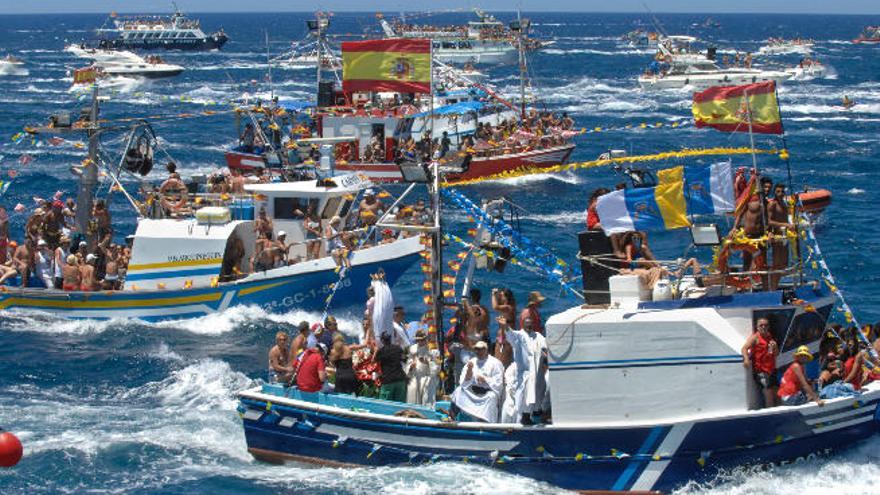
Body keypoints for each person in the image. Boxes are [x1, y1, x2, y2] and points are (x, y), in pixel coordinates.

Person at [498, 315, 549, 424]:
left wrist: (546, 354)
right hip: (524, 374)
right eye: (527, 324)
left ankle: (536, 417)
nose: (529, 326)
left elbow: (545, 348)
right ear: (523, 325)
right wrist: (505, 326)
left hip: (538, 372)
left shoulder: (538, 336)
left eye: (531, 325)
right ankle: (524, 418)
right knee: (524, 397)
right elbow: (510, 334)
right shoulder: (519, 335)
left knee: (538, 395)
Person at [449, 340, 504, 422]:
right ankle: (452, 416)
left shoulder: (495, 363)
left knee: (492, 397)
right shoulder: (472, 361)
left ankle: (485, 421)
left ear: (486, 350)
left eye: (482, 349)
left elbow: (498, 383)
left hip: (486, 393)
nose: (479, 351)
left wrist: (486, 380)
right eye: (477, 349)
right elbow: (464, 382)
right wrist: (469, 370)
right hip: (473, 391)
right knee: (459, 391)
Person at [741, 317, 779, 408]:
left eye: (765, 325)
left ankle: (778, 410)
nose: (763, 327)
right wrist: (746, 359)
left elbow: (776, 354)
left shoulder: (769, 337)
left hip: (771, 369)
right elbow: (744, 348)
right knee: (768, 391)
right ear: (757, 327)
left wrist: (775, 347)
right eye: (761, 325)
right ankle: (770, 412)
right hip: (761, 370)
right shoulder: (755, 338)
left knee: (776, 390)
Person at [767, 183, 794, 290]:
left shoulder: (784, 204)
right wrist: (785, 225)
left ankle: (775, 285)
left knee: (784, 264)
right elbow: (769, 221)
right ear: (774, 192)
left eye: (782, 191)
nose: (780, 193)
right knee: (776, 264)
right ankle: (772, 288)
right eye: (778, 191)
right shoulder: (773, 204)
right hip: (777, 237)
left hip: (784, 237)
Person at [405, 329, 440, 405]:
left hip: (426, 378)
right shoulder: (413, 349)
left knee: (426, 398)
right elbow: (408, 363)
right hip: (415, 378)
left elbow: (437, 367)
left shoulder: (432, 351)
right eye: (418, 340)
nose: (420, 342)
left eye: (422, 340)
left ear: (426, 339)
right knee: (412, 397)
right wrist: (411, 366)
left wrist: (427, 363)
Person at [375, 333, 407, 402]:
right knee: (400, 405)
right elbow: (405, 359)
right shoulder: (398, 348)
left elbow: (374, 361)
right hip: (400, 379)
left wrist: (375, 350)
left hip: (388, 380)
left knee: (385, 405)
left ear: (382, 341)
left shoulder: (381, 351)